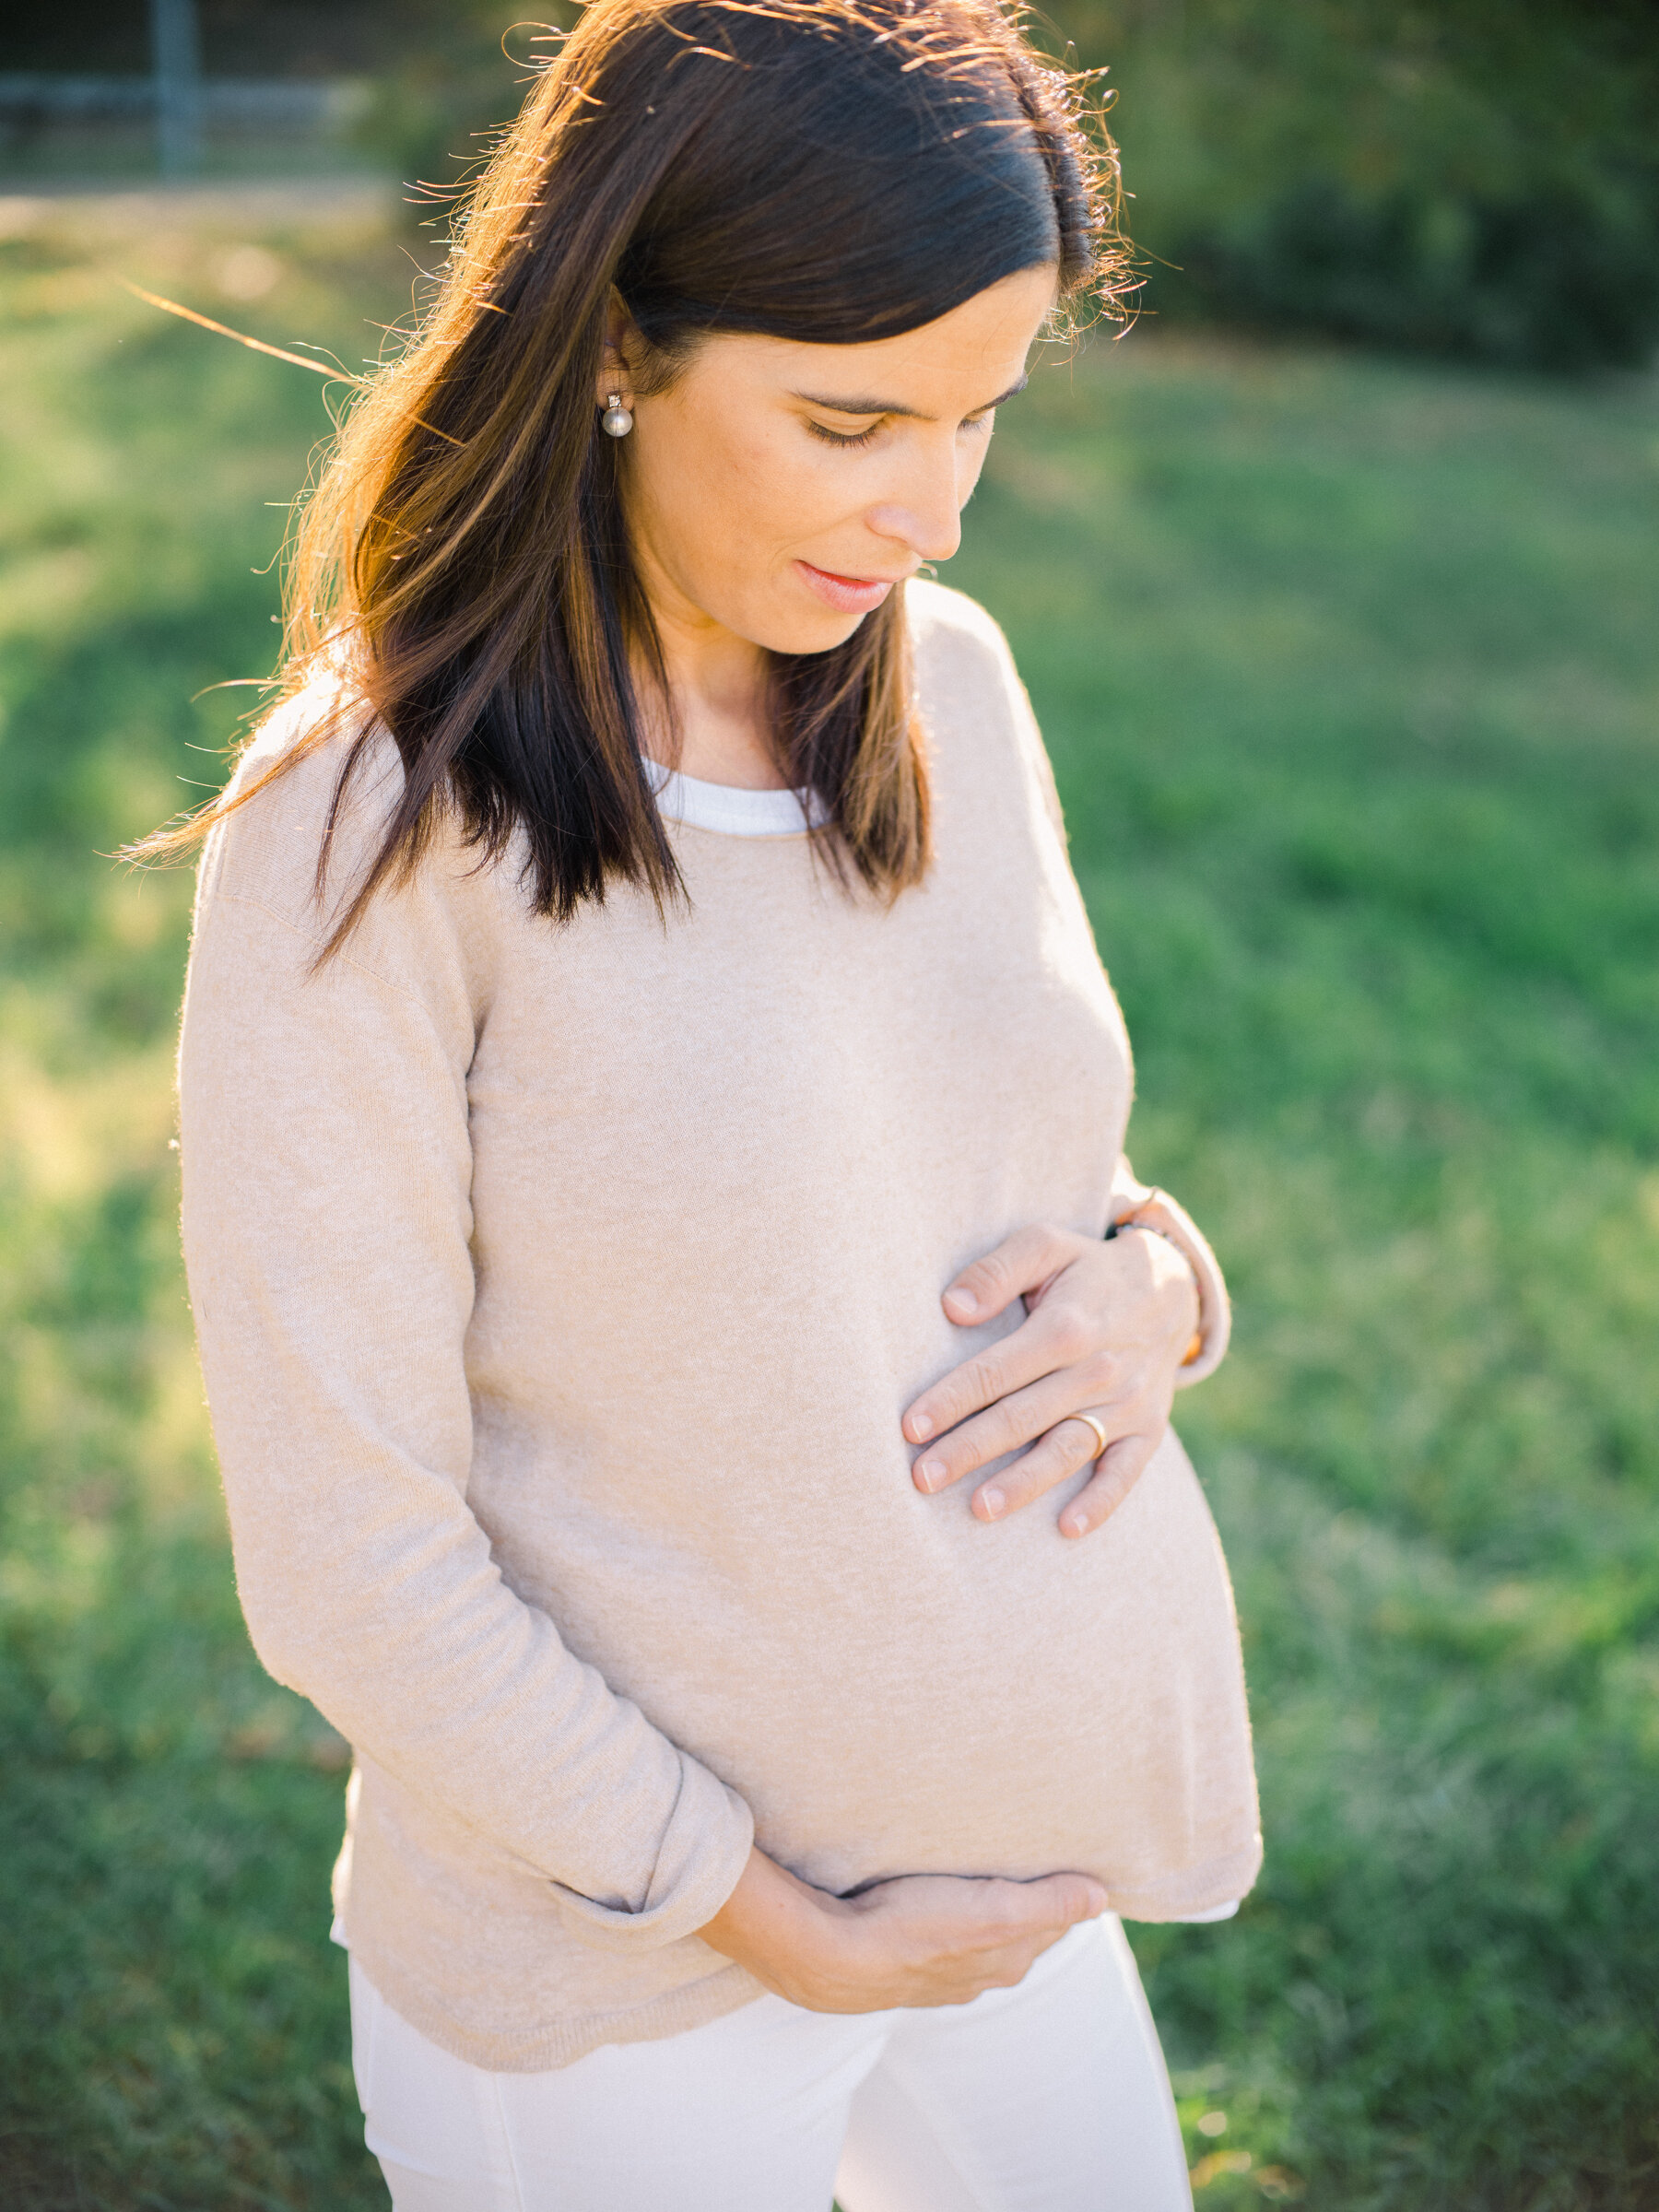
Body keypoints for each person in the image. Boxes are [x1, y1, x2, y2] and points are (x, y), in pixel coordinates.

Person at [166, 0, 1261, 2203]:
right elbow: (352, 1563)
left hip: (1003, 1863)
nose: (931, 511)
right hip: (616, 1974)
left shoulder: (951, 690)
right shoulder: (367, 828)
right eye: (851, 417)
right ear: (614, 346)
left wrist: (1162, 1288)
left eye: (982, 416)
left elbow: (1002, 1179)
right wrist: (776, 1923)